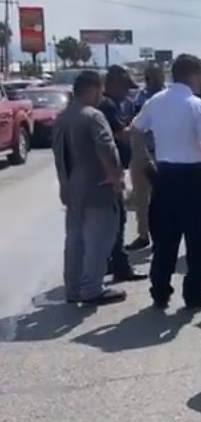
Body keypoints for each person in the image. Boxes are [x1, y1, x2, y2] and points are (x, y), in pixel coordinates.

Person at [131, 53, 201, 310]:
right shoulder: (197, 105)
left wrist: (143, 158)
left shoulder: (155, 101)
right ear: (194, 74)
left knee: (164, 240)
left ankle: (160, 292)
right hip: (193, 178)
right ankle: (194, 294)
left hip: (165, 176)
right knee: (198, 241)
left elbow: (135, 130)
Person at [51, 70, 127, 305]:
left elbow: (58, 156)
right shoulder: (93, 116)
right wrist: (115, 176)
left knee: (75, 240)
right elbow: (106, 147)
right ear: (93, 90)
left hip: (72, 188)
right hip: (96, 186)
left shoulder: (62, 118)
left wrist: (63, 185)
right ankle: (92, 289)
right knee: (99, 239)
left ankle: (73, 288)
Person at [98, 65, 147, 282]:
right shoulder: (107, 105)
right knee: (117, 220)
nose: (127, 93)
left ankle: (110, 262)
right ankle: (119, 267)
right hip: (109, 170)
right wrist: (139, 127)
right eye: (125, 87)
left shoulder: (108, 104)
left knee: (112, 219)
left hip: (106, 169)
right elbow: (121, 135)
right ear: (114, 84)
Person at [126, 62, 166, 250]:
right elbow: (133, 124)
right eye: (150, 76)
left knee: (163, 199)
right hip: (141, 151)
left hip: (163, 153)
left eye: (157, 76)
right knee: (141, 198)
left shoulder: (167, 98)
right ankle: (143, 234)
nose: (153, 80)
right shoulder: (138, 99)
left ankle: (163, 237)